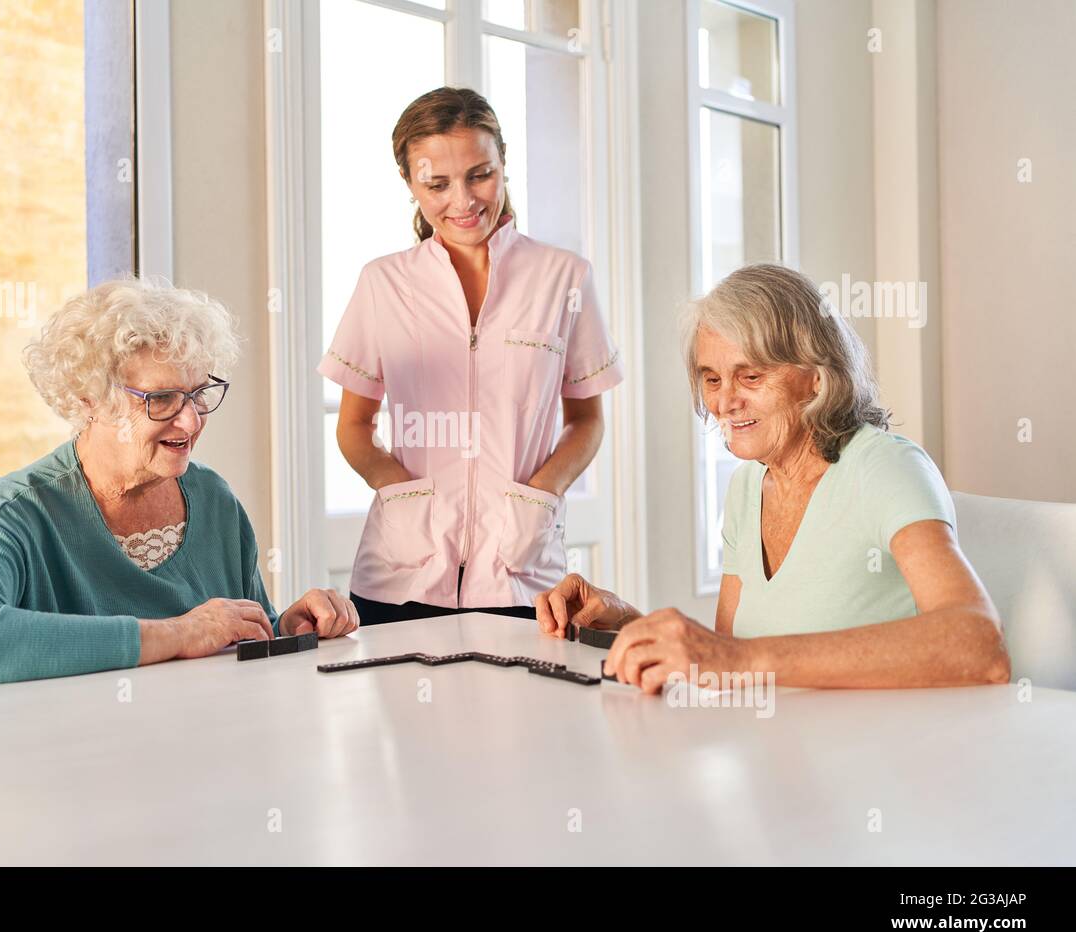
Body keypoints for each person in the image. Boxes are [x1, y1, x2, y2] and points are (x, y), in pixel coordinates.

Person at [535, 263, 1010, 691]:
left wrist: (734, 660)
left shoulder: (885, 468)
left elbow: (979, 645)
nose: (724, 402)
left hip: (880, 764)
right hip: (782, 758)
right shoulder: (748, 487)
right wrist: (625, 623)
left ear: (816, 377)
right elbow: (727, 656)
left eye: (751, 377)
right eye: (713, 378)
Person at [0, 278, 357, 687]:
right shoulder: (16, 513)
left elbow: (230, 639)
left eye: (198, 394)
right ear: (91, 400)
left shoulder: (214, 501)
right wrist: (176, 635)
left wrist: (285, 628)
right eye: (162, 399)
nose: (190, 420)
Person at [318, 86, 623, 626]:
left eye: (479, 175)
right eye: (437, 184)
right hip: (400, 577)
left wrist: (541, 495)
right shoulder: (383, 282)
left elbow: (586, 420)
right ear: (410, 185)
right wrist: (398, 490)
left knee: (524, 711)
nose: (462, 201)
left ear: (503, 163)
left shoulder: (563, 277)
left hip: (522, 576)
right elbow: (354, 425)